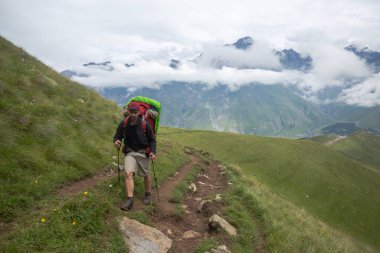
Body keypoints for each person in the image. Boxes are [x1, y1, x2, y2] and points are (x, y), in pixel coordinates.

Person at [113, 101, 156, 211]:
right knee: (128, 173)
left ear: (139, 112)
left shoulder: (144, 124)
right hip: (130, 152)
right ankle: (130, 200)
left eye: (135, 112)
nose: (132, 114)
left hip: (143, 152)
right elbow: (117, 136)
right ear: (128, 111)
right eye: (131, 112)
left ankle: (148, 194)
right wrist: (117, 141)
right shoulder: (124, 123)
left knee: (145, 174)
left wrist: (152, 152)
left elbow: (152, 140)